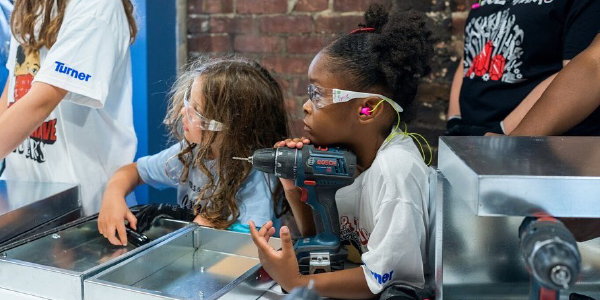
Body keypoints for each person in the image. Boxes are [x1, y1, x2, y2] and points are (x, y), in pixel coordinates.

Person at [249, 4, 433, 299]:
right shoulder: (348, 158)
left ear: (367, 108)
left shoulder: (396, 170)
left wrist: (296, 282)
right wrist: (294, 187)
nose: (307, 106)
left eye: (318, 94)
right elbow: (323, 240)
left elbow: (386, 280)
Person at [98, 56, 290, 246]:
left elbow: (248, 245)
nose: (184, 111)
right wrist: (113, 196)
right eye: (188, 101)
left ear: (228, 125)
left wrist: (205, 229)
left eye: (196, 110)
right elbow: (134, 171)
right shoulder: (191, 152)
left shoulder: (258, 175)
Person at [0, 0, 138, 215]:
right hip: (30, 198)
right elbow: (14, 87)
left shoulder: (97, 5)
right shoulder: (30, 4)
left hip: (87, 205)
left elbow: (41, 101)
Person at [446, 0, 600, 136]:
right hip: (469, 134)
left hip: (527, 142)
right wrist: (454, 120)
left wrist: (507, 132)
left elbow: (582, 69)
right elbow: (472, 52)